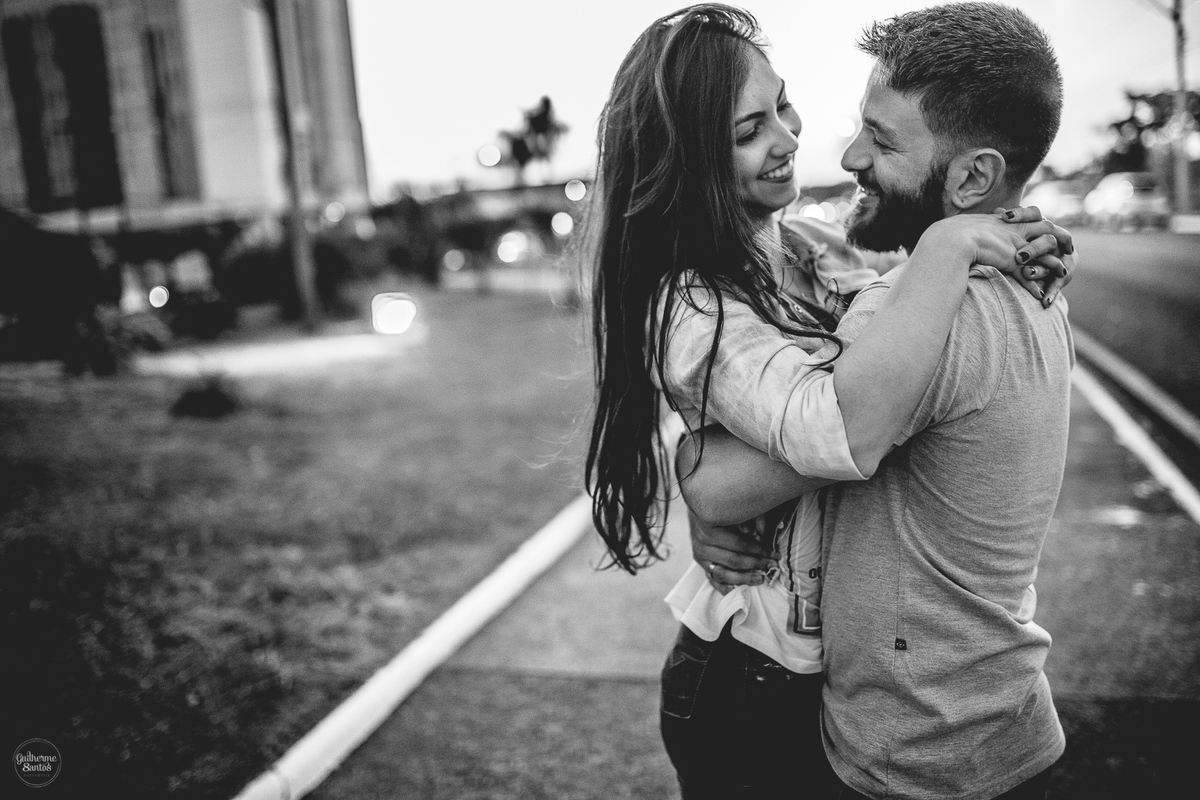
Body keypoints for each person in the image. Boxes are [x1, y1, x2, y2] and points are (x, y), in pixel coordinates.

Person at [581, 4, 1072, 797]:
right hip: (746, 677)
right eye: (748, 131)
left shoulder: (815, 250)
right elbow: (830, 423)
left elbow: (899, 306)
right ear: (691, 163)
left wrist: (1008, 236)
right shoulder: (692, 303)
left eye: (781, 104)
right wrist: (952, 242)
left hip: (818, 676)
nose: (791, 137)